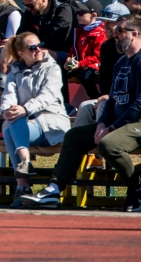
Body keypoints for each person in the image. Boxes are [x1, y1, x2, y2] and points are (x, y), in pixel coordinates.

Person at [21, 14, 141, 212]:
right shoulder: (121, 62)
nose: (115, 35)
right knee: (74, 136)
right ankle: (53, 190)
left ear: (135, 34)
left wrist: (111, 127)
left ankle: (135, 191)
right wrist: (102, 123)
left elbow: (138, 104)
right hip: (119, 122)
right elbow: (112, 99)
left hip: (136, 121)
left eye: (120, 30)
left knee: (108, 144)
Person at [0, 33, 71, 208]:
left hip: (52, 123)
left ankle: (23, 182)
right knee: (9, 121)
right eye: (33, 48)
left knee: (12, 123)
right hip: (26, 123)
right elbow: (8, 96)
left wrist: (24, 109)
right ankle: (25, 168)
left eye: (40, 45)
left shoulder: (52, 68)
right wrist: (6, 111)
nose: (38, 49)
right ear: (21, 53)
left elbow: (47, 97)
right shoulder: (15, 71)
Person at [17, 0, 74, 106]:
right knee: (15, 57)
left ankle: (63, 104)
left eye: (31, 5)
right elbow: (21, 36)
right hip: (39, 51)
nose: (28, 9)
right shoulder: (30, 12)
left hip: (67, 55)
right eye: (25, 5)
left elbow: (57, 40)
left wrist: (34, 48)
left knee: (46, 55)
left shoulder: (63, 10)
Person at [76, 2, 131, 129]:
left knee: (103, 105)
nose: (105, 26)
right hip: (110, 97)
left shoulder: (131, 48)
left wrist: (110, 96)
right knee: (84, 106)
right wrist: (104, 95)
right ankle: (78, 144)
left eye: (111, 22)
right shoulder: (106, 46)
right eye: (104, 22)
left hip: (127, 101)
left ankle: (103, 143)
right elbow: (104, 77)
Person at [65, 0, 107, 101]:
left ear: (94, 15)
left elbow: (98, 57)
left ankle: (96, 100)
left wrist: (80, 64)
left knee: (85, 76)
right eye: (77, 12)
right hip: (83, 64)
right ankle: (66, 103)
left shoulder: (101, 32)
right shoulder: (80, 31)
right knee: (61, 72)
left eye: (82, 12)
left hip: (96, 66)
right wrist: (69, 61)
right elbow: (74, 50)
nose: (78, 15)